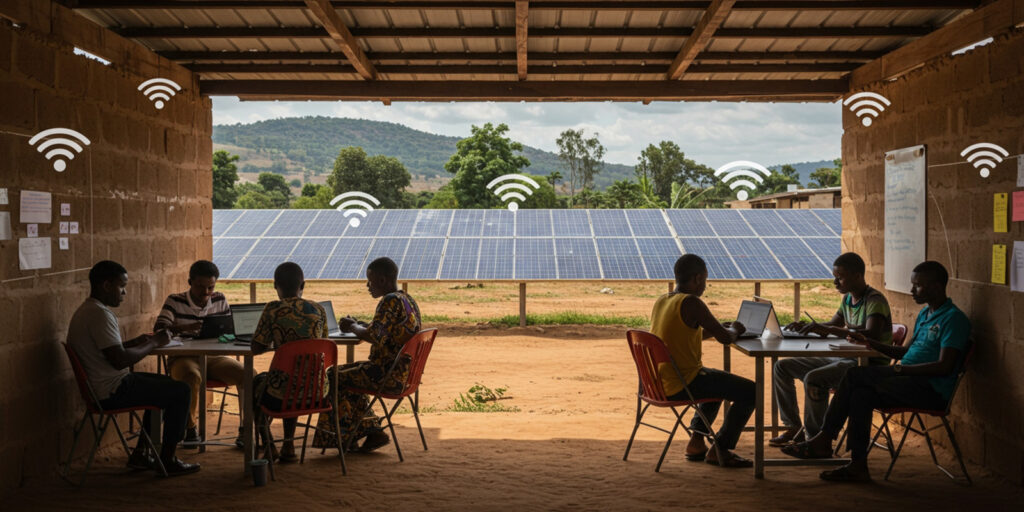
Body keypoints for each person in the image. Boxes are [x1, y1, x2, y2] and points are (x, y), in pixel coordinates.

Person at [782, 261, 971, 482]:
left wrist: (901, 370)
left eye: (918, 286)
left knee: (853, 375)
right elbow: (903, 351)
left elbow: (944, 366)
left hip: (928, 389)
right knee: (861, 395)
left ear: (937, 287)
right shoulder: (925, 315)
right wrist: (870, 342)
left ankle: (824, 438)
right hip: (905, 379)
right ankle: (858, 466)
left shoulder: (954, 319)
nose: (911, 290)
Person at [67, 260, 200, 476]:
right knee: (181, 390)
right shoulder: (99, 314)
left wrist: (139, 341)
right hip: (111, 390)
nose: (124, 293)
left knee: (163, 384)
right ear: (107, 285)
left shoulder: (89, 310)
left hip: (105, 385)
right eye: (121, 287)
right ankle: (168, 458)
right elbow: (119, 360)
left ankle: (141, 453)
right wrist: (154, 343)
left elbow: (110, 350)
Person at [770, 252, 893, 446]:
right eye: (835, 277)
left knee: (815, 379)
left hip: (866, 364)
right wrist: (812, 326)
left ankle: (816, 439)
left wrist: (832, 329)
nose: (835, 282)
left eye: (840, 278)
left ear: (857, 276)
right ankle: (793, 427)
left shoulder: (874, 300)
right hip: (842, 357)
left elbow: (872, 334)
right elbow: (834, 324)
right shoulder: (847, 299)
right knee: (782, 367)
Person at [649, 254, 755, 468]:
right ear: (697, 279)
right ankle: (721, 448)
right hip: (682, 383)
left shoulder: (663, 299)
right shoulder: (692, 302)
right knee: (751, 391)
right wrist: (735, 328)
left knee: (715, 382)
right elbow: (726, 338)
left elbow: (686, 332)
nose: (705, 287)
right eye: (705, 281)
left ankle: (696, 443)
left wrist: (716, 329)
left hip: (658, 382)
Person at [313, 257, 422, 453]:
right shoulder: (407, 299)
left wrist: (352, 326)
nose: (367, 285)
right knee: (342, 374)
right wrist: (361, 324)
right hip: (404, 374)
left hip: (386, 374)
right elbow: (386, 329)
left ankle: (348, 436)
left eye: (370, 281)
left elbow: (374, 335)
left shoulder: (389, 301)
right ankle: (371, 432)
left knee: (332, 376)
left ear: (382, 280)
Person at [153, 260, 245, 448]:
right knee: (190, 376)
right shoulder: (175, 300)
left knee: (248, 375)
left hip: (214, 358)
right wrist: (184, 327)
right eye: (200, 287)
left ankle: (246, 429)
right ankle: (190, 429)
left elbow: (230, 330)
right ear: (189, 282)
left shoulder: (219, 299)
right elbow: (159, 329)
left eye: (210, 287)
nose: (205, 292)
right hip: (183, 357)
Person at [250, 262, 329, 463]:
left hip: (282, 394)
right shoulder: (319, 310)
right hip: (317, 392)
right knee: (293, 378)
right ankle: (288, 445)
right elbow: (325, 344)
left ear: (275, 285)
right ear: (303, 285)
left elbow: (256, 348)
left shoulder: (272, 309)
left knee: (259, 383)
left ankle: (269, 445)